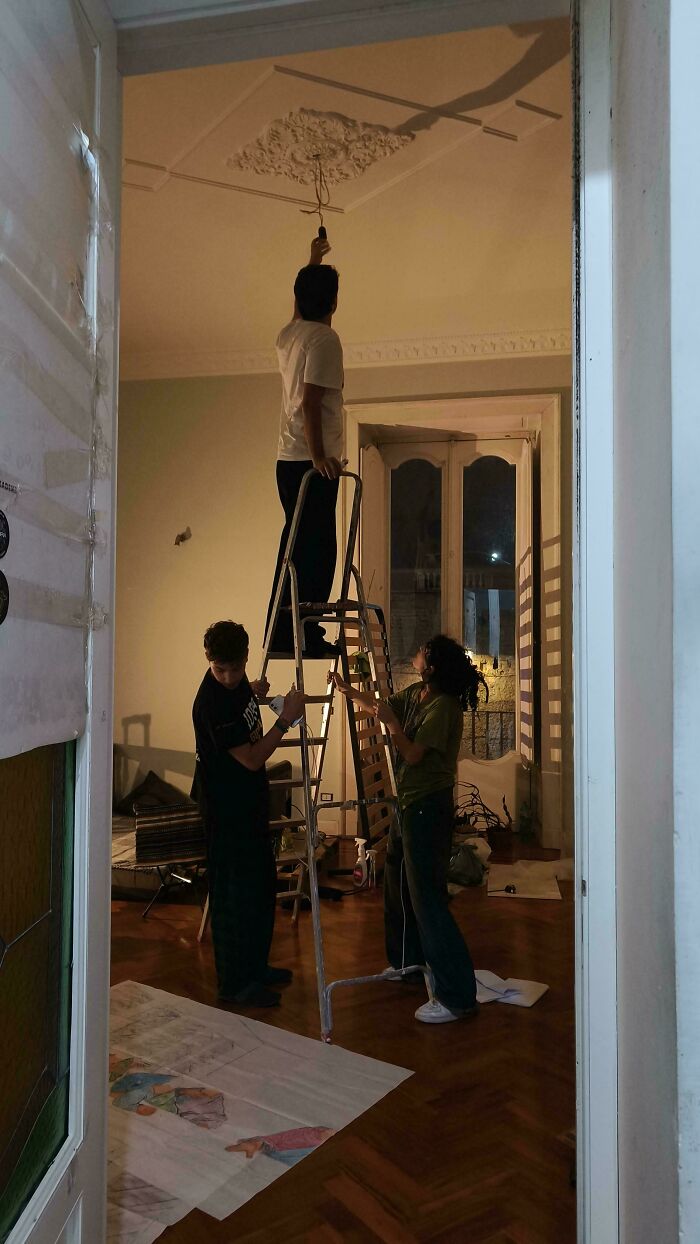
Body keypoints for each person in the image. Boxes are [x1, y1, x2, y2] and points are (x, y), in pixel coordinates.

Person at [333, 635, 488, 1024]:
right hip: (407, 806)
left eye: (422, 651)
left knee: (428, 900)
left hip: (428, 809)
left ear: (431, 665)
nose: (415, 653)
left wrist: (390, 727)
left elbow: (414, 753)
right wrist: (350, 691)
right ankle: (406, 963)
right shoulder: (419, 692)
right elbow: (384, 707)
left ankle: (457, 996)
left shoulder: (444, 706)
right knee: (397, 887)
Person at [191, 619, 306, 1008]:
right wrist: (286, 718)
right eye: (219, 669)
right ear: (209, 660)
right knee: (232, 896)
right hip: (226, 811)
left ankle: (256, 968)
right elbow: (254, 758)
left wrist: (251, 692)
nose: (227, 677)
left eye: (235, 669)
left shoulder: (237, 686)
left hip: (248, 804)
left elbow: (239, 693)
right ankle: (234, 983)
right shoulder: (211, 703)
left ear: (245, 659)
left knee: (259, 888)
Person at [265, 235, 345, 658]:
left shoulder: (289, 335)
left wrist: (313, 260)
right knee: (317, 552)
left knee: (295, 547)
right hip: (309, 462)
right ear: (333, 303)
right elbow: (311, 402)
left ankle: (284, 633)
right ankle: (304, 635)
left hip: (287, 460)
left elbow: (302, 308)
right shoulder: (325, 341)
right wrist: (319, 458)